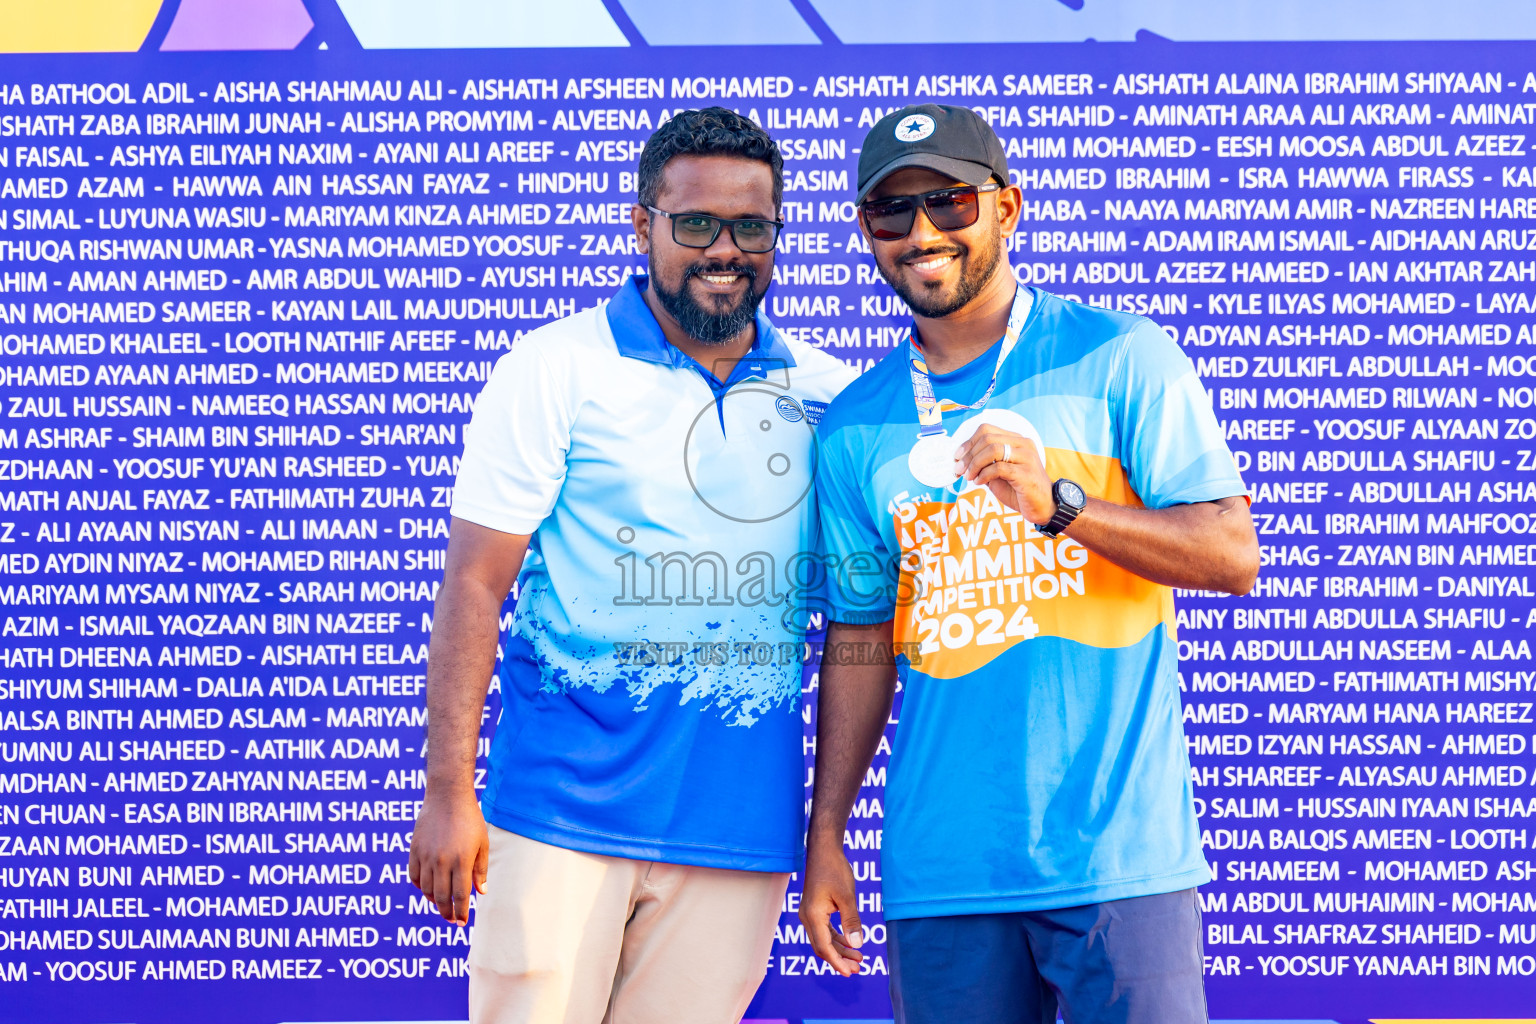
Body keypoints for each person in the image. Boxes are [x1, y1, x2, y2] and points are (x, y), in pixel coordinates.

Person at [800, 103, 1260, 1024]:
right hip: (944, 870)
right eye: (893, 214)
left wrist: (1065, 506)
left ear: (1007, 208)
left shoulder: (1123, 356)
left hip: (1115, 858)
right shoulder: (855, 422)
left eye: (949, 203)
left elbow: (1228, 554)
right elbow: (858, 638)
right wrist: (827, 836)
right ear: (867, 234)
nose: (922, 234)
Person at [409, 106, 855, 1024]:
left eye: (752, 226)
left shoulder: (828, 394)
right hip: (557, 817)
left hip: (738, 831)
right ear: (642, 222)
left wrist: (824, 835)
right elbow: (474, 585)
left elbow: (858, 620)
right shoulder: (555, 368)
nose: (723, 249)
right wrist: (449, 792)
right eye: (694, 223)